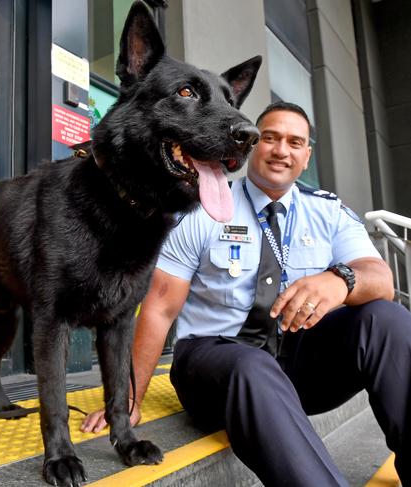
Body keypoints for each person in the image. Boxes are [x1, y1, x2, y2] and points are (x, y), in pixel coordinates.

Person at [80, 101, 411, 486]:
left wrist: (340, 279)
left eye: (294, 141)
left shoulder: (328, 212)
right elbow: (160, 307)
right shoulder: (201, 209)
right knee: (252, 365)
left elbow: (381, 279)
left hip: (298, 366)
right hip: (214, 367)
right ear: (253, 144)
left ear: (307, 155)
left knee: (387, 318)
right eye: (270, 138)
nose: (281, 150)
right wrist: (128, 400)